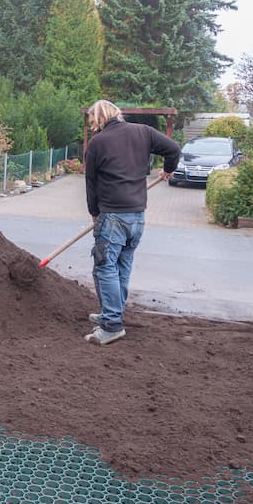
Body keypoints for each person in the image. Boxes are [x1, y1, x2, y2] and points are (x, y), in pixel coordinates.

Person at [83, 100, 181, 346]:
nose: (93, 126)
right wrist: (169, 169)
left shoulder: (97, 143)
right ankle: (111, 312)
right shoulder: (143, 132)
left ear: (99, 118)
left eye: (93, 121)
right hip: (137, 216)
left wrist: (95, 213)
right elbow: (173, 149)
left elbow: (91, 184)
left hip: (113, 216)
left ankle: (112, 325)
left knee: (105, 268)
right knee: (121, 267)